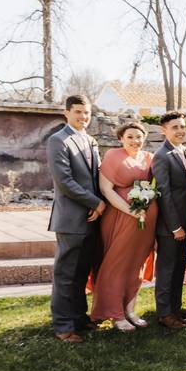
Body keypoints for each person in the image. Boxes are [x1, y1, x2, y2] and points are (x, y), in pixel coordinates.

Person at [46, 95, 106, 343]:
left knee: (82, 271)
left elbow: (97, 177)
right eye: (78, 112)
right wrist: (95, 202)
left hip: (93, 218)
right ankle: (63, 326)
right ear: (67, 113)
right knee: (66, 274)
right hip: (71, 218)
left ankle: (80, 318)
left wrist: (99, 205)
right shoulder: (58, 140)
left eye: (87, 112)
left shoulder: (90, 140)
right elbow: (65, 181)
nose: (83, 117)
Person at [90, 122, 157, 331]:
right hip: (120, 216)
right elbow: (106, 189)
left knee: (136, 264)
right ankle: (114, 313)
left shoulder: (149, 158)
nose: (135, 141)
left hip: (145, 220)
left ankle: (130, 310)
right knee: (116, 263)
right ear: (121, 138)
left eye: (139, 137)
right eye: (130, 137)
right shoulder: (113, 156)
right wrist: (131, 210)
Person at [152, 111, 186, 330]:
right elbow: (164, 193)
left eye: (182, 126)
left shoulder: (185, 152)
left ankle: (175, 309)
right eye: (175, 127)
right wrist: (175, 226)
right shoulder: (162, 156)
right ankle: (164, 313)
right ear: (164, 130)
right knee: (167, 269)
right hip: (170, 226)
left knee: (179, 267)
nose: (180, 131)